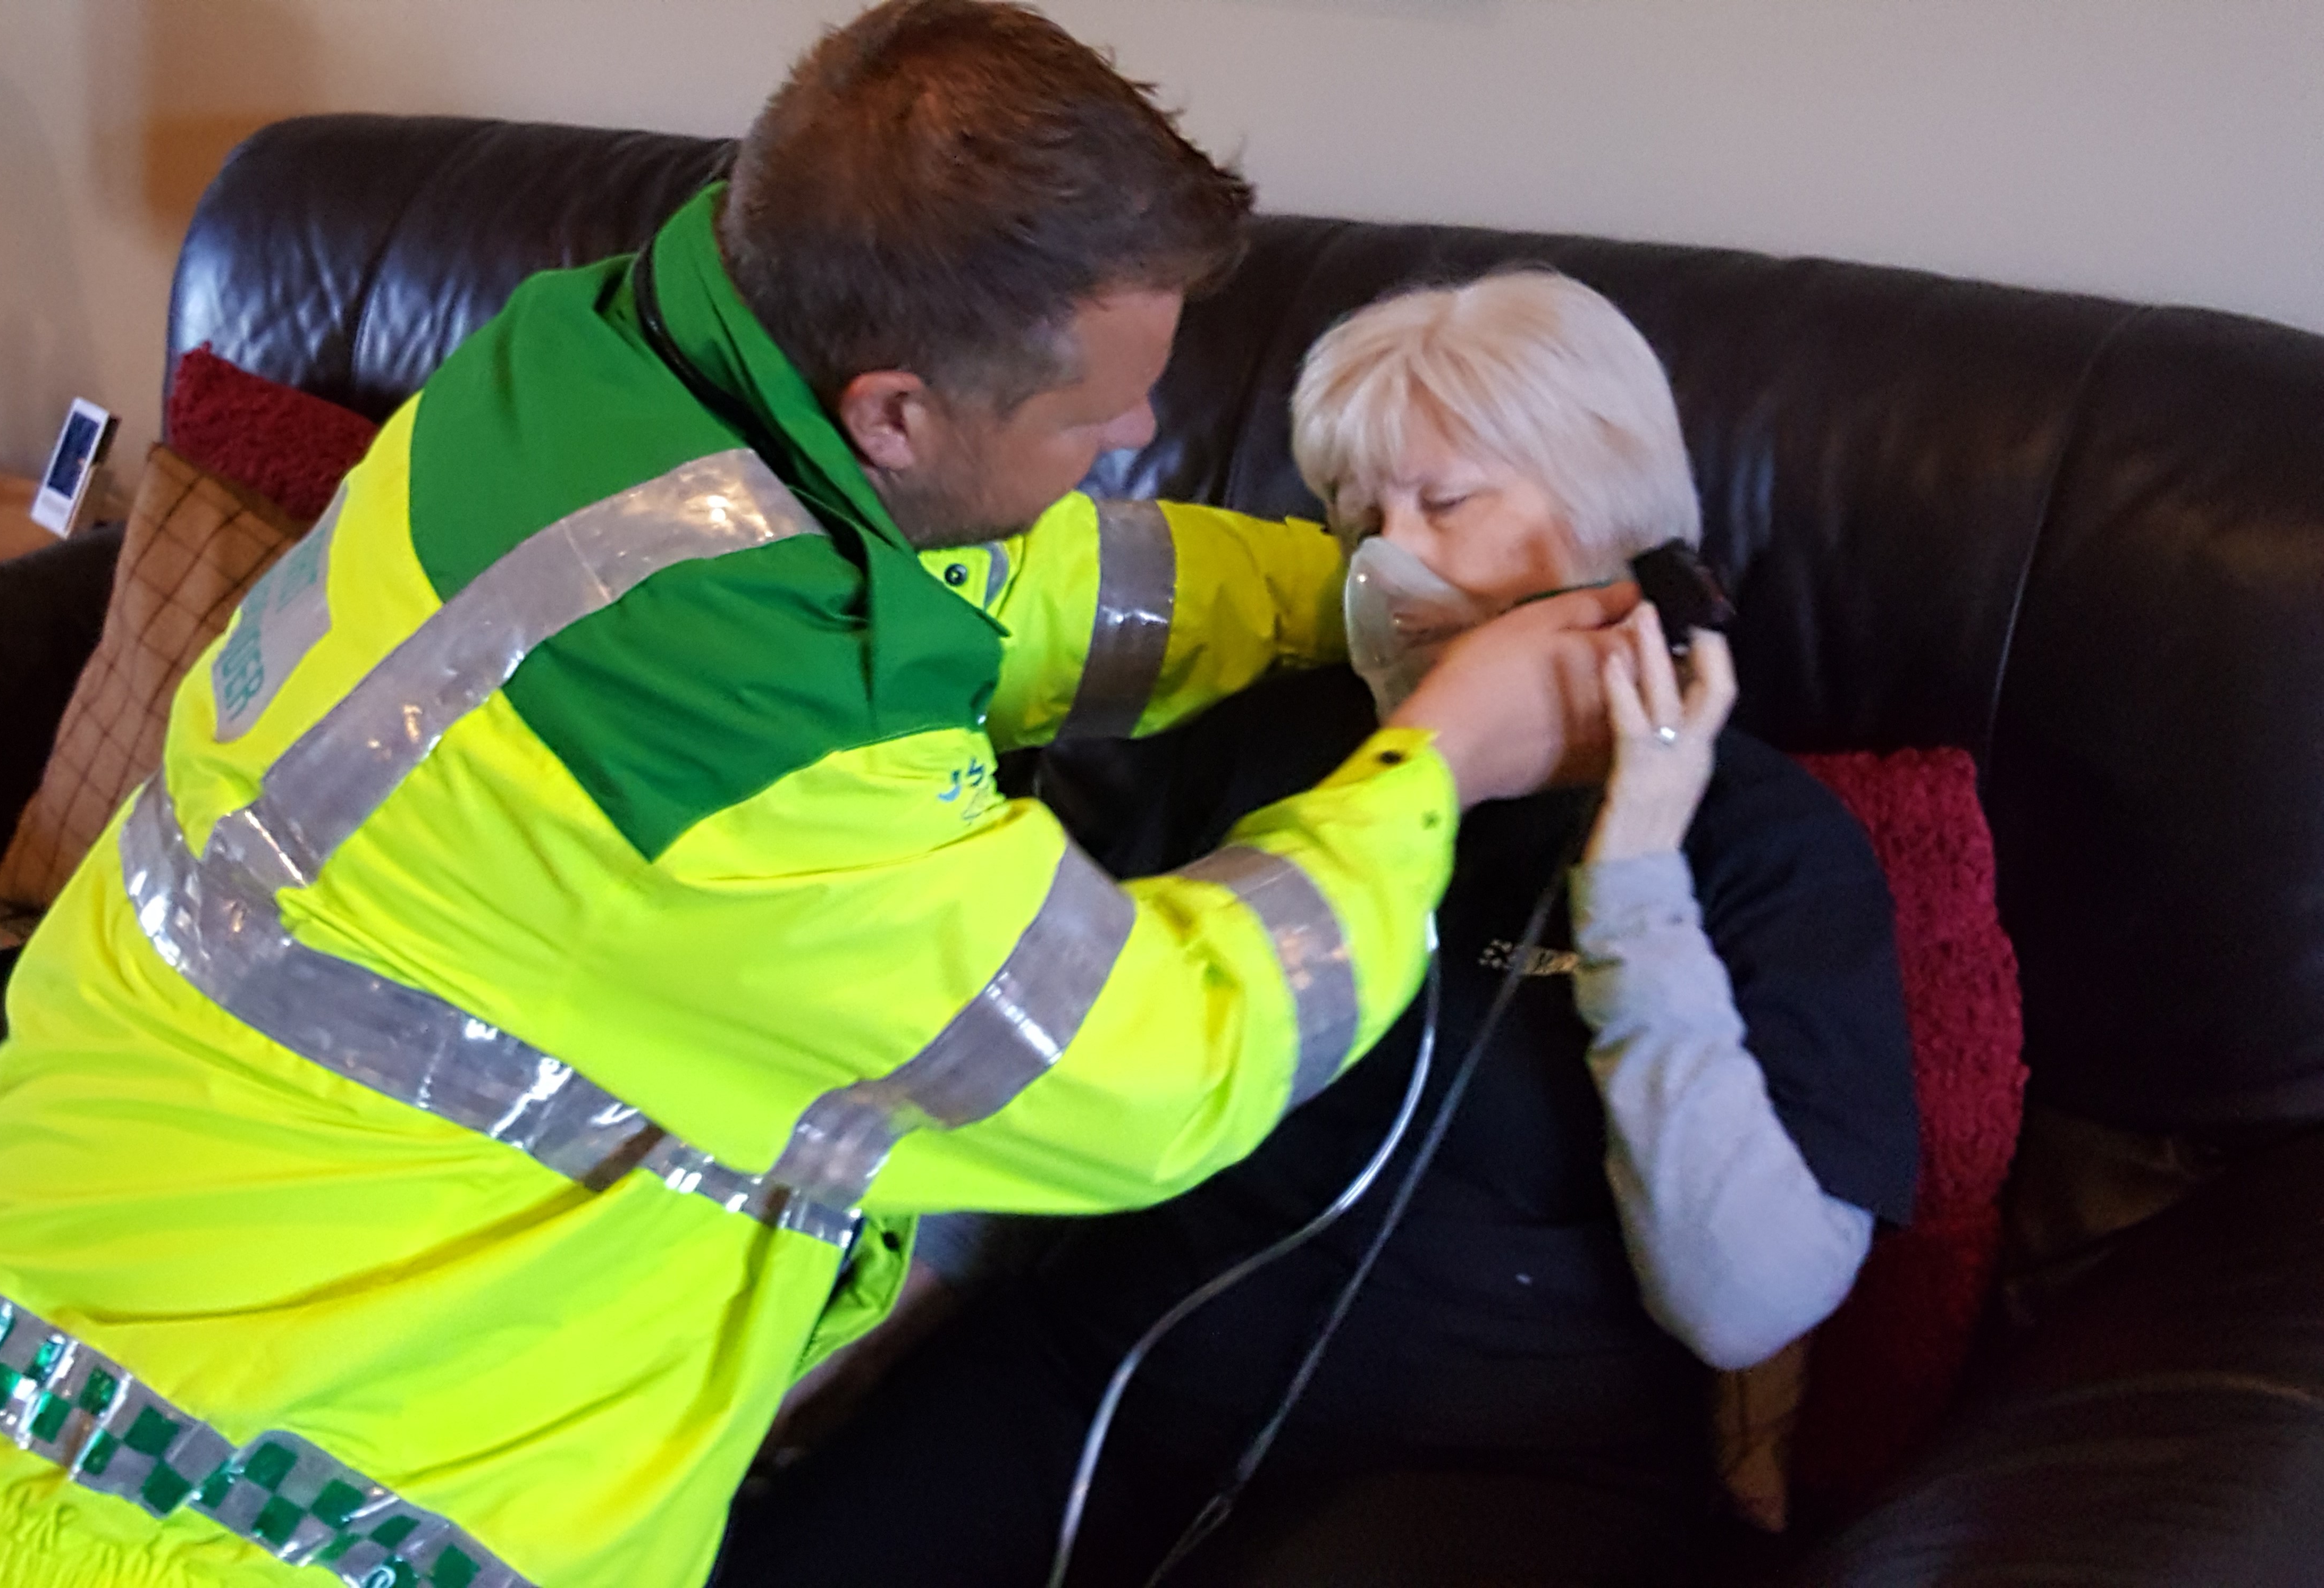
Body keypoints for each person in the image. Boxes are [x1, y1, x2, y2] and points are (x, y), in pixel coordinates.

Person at [0, 9, 1640, 1588]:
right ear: (898, 408)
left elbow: (990, 591)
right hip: (213, 1531)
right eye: (1093, 420)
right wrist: (1438, 755)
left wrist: (1343, 600)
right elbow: (1157, 1062)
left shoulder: (579, 386)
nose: (1130, 444)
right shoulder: (746, 769)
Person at [713, 272, 1921, 1588]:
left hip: (1489, 1465)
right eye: (1359, 513)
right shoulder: (1270, 748)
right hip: (1099, 1370)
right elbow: (1042, 1088)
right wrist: (804, 1372)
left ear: (1612, 521)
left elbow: (1743, 1302)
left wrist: (1632, 887)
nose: (1390, 560)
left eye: (1447, 501)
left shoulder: (1761, 846)